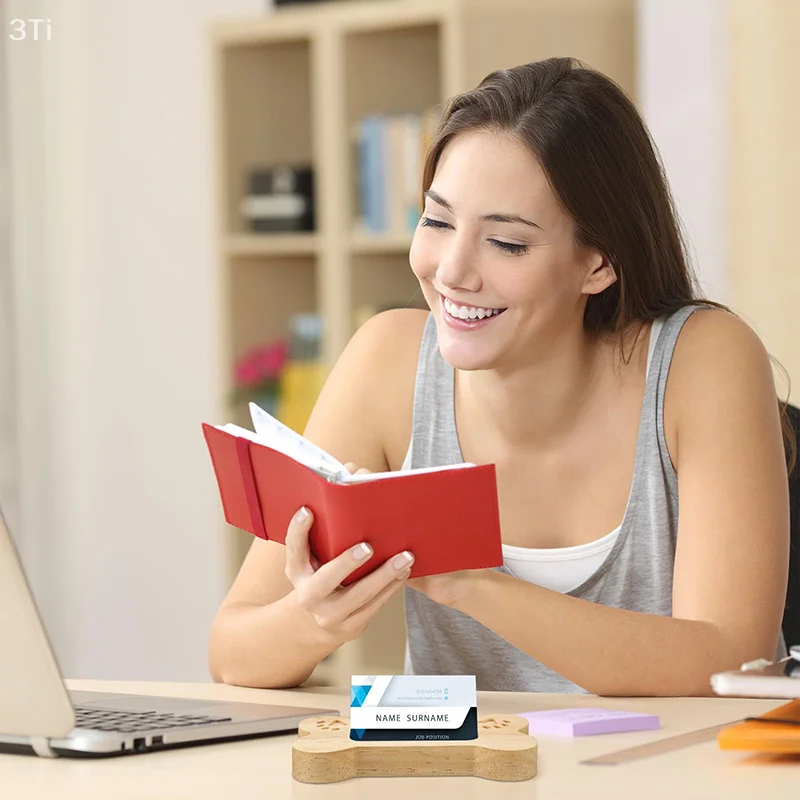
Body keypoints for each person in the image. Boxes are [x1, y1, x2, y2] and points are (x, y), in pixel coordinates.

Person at [208, 57, 791, 695]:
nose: (452, 271)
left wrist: (470, 582)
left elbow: (733, 661)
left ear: (598, 263)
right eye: (436, 221)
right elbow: (234, 653)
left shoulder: (701, 361)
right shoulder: (388, 360)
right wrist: (313, 619)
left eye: (507, 244)